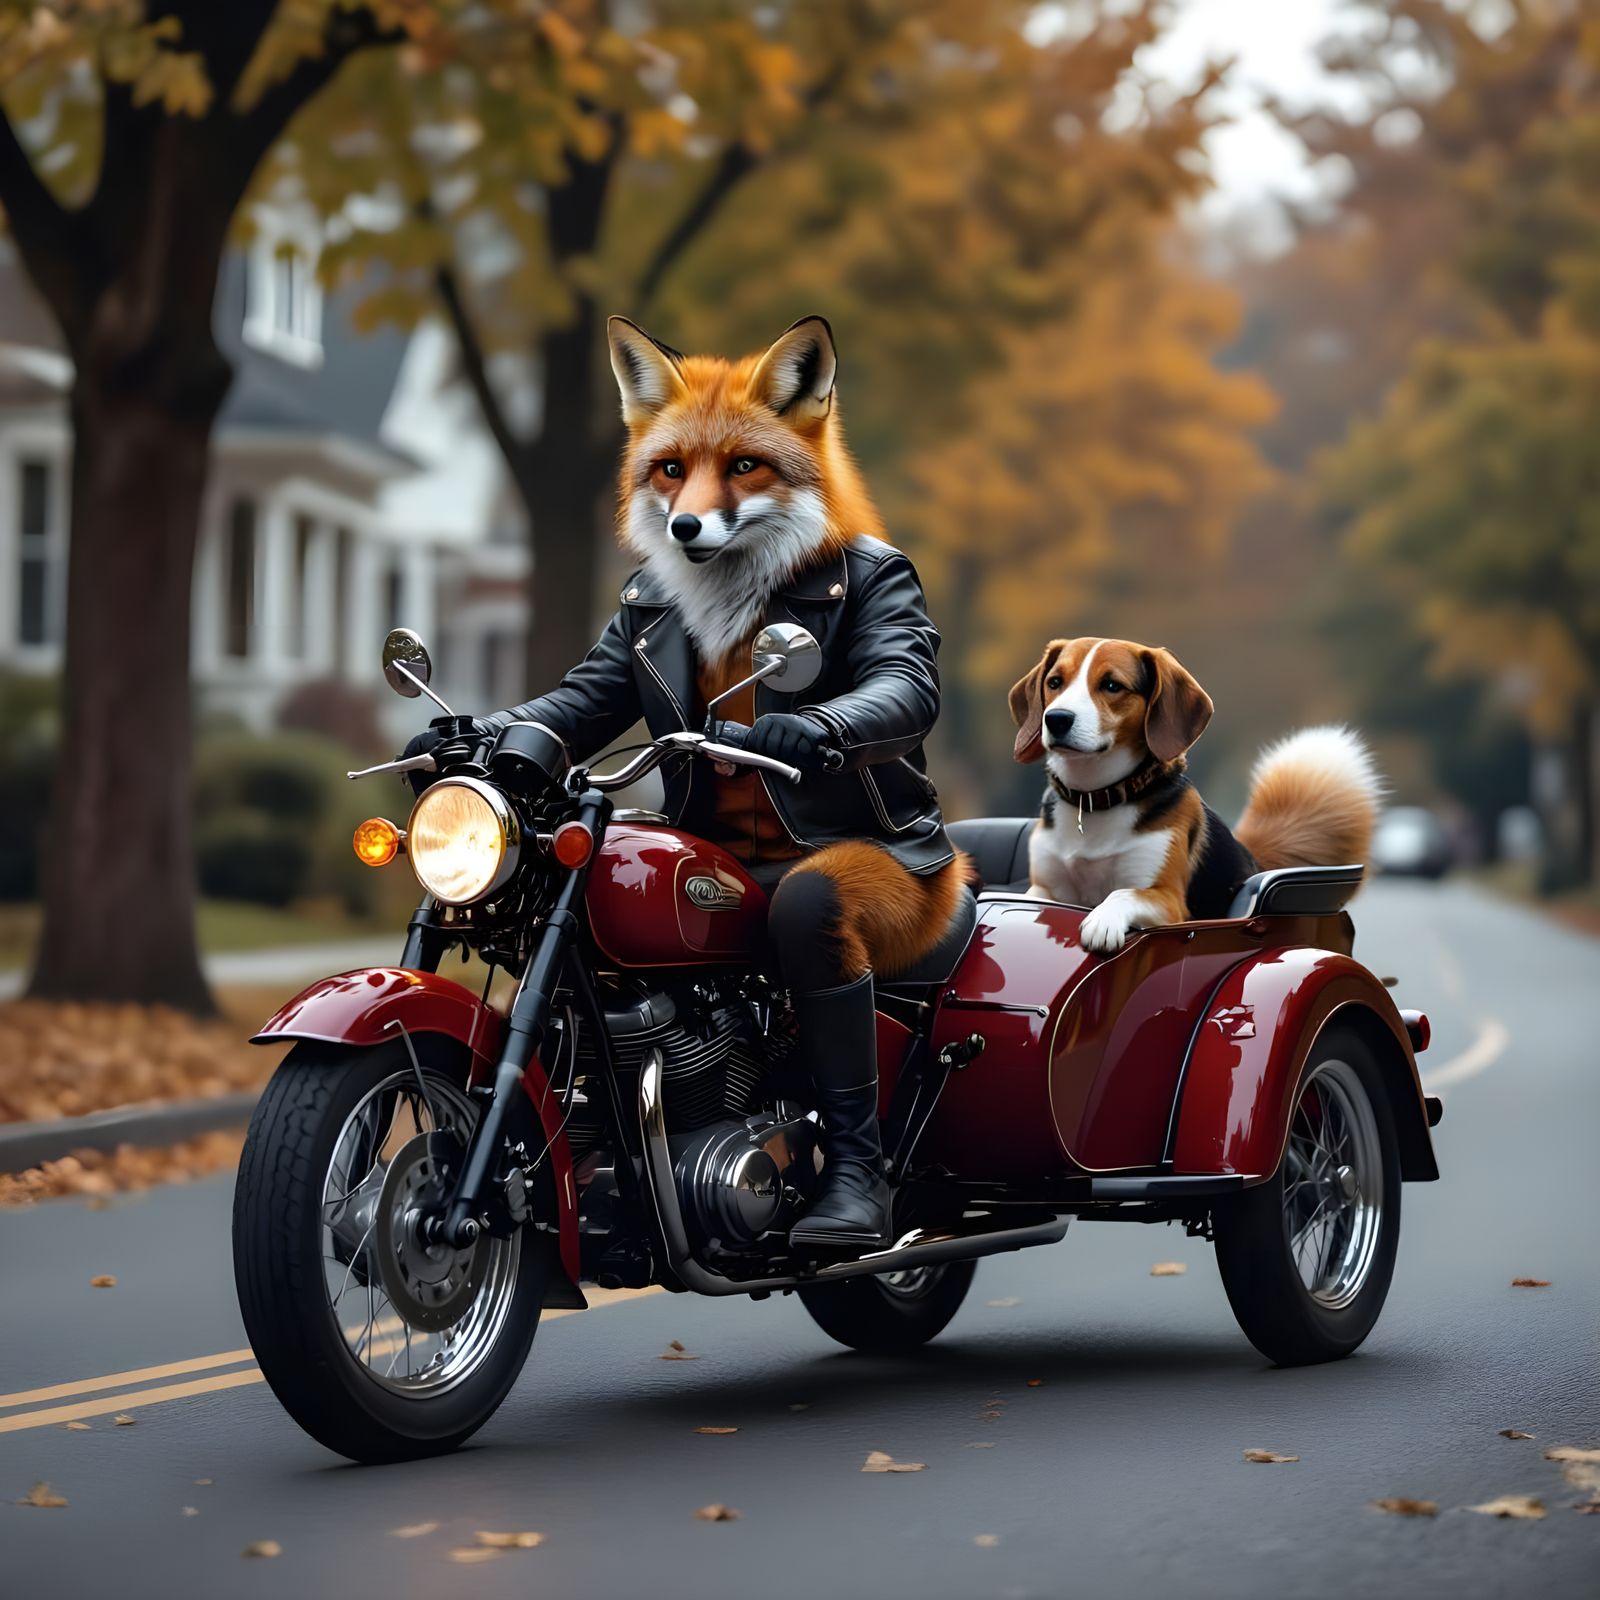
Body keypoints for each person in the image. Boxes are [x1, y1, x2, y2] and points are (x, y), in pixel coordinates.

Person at [408, 315, 966, 1249]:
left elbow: (907, 686)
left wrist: (824, 725)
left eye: (743, 467)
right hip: (722, 862)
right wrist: (483, 736)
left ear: (805, 434)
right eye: (671, 470)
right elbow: (582, 702)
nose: (695, 500)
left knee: (808, 905)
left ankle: (859, 1171)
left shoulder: (867, 576)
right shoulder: (653, 603)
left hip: (873, 861)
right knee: (586, 896)